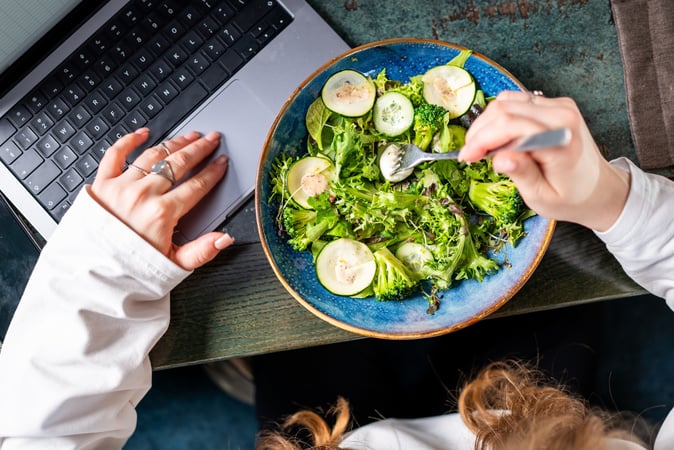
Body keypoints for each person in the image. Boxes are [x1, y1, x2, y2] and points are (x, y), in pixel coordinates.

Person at [0, 90, 673, 448]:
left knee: (302, 357)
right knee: (552, 293)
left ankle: (255, 370)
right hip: (542, 421)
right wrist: (612, 201)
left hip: (325, 436)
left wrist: (110, 269)